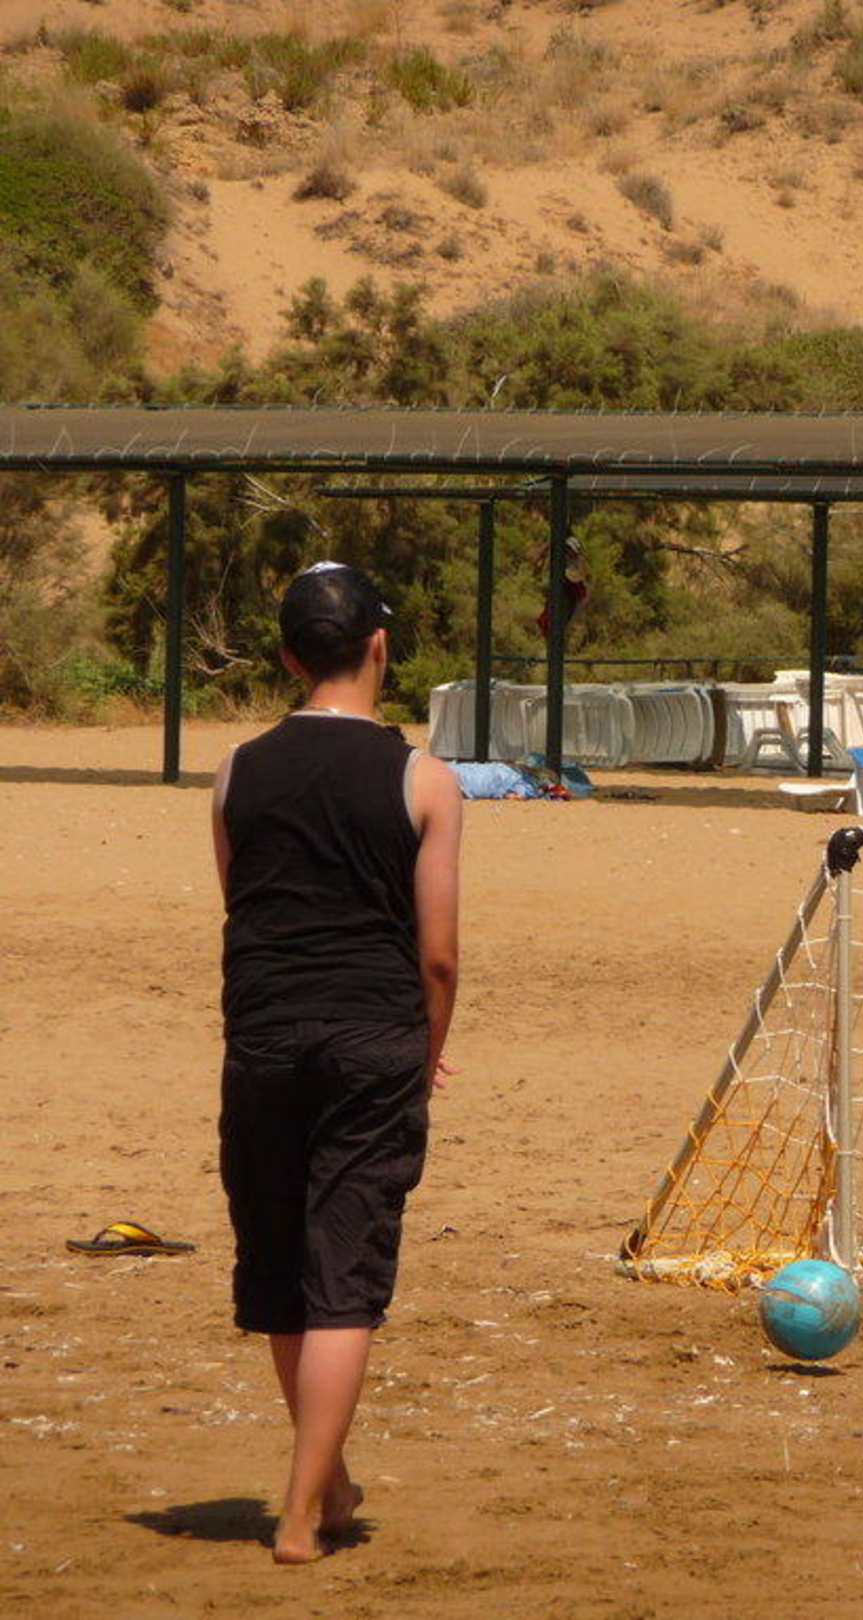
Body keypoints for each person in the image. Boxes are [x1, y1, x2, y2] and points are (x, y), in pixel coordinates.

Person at [212, 562, 463, 1562]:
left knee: (284, 1274)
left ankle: (331, 1481)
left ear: (287, 657)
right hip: (371, 1040)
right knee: (345, 1278)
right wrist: (426, 1050)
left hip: (264, 1038)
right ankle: (299, 1512)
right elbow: (438, 955)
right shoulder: (422, 779)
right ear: (379, 647)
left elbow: (246, 911)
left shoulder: (236, 772)